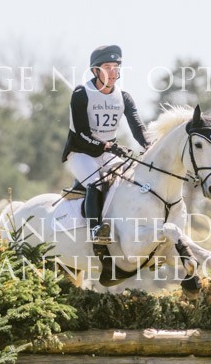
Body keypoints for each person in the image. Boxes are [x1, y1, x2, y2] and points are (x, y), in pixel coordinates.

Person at [62, 45, 150, 243]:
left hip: (108, 153)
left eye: (116, 67)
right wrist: (107, 146)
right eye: (107, 67)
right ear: (95, 71)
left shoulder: (124, 97)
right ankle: (95, 229)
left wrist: (149, 145)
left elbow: (138, 128)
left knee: (131, 179)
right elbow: (82, 133)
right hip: (81, 152)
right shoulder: (81, 93)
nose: (113, 72)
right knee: (96, 182)